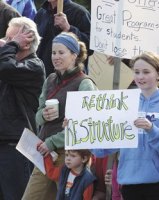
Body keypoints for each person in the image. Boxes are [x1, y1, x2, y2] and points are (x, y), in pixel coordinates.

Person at [92, 51, 159, 200]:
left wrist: (152, 130)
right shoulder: (125, 103)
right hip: (130, 184)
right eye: (137, 72)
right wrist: (78, 131)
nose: (140, 76)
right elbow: (106, 145)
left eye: (146, 72)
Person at [22, 32, 97, 200]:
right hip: (45, 153)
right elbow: (37, 116)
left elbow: (84, 125)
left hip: (71, 155)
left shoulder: (85, 84)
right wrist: (44, 116)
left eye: (61, 52)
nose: (55, 57)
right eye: (53, 53)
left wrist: (51, 142)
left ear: (74, 55)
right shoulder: (50, 80)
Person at [0, 16, 45, 200]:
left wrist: (11, 46)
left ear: (25, 43)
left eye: (11, 38)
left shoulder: (34, 66)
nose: (5, 42)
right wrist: (10, 46)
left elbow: (4, 67)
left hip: (16, 146)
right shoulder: (8, 62)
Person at [34, 0, 92, 76]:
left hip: (71, 78)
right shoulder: (41, 13)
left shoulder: (79, 13)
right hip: (44, 77)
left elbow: (90, 48)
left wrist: (69, 28)